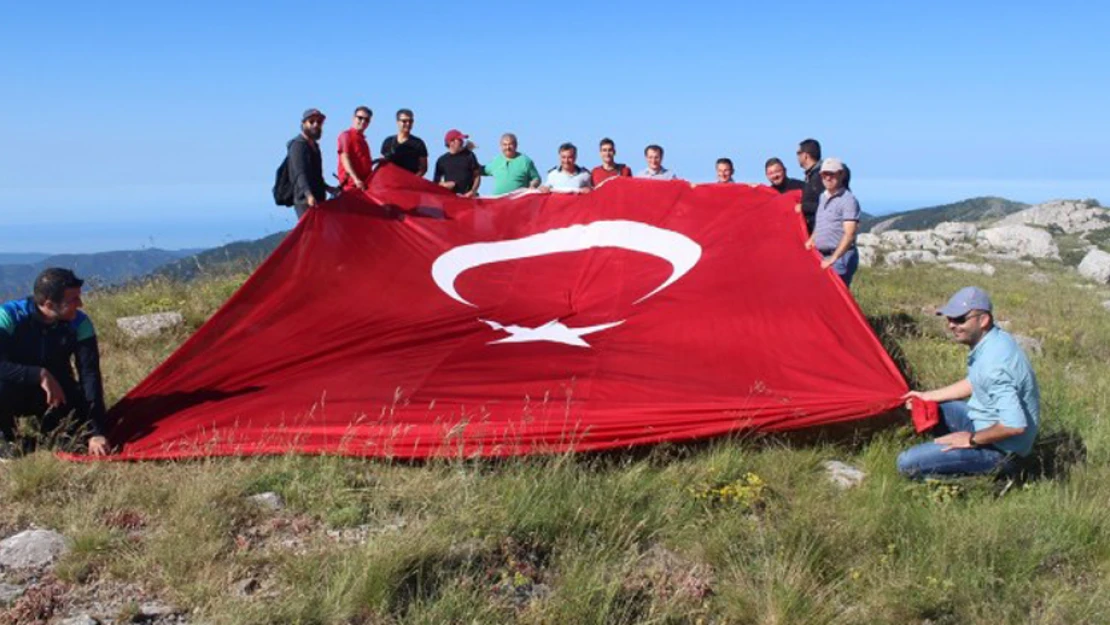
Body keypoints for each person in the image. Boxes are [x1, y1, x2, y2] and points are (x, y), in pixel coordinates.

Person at [899, 287, 1040, 479]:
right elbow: (975, 382)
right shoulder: (993, 340)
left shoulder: (994, 364)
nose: (951, 325)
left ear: (983, 320)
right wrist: (926, 396)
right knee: (934, 407)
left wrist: (971, 439)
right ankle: (950, 456)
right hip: (984, 424)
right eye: (949, 319)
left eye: (959, 319)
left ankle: (992, 479)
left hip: (1002, 450)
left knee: (906, 463)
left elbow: (1014, 425)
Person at [0, 268, 109, 458]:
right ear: (49, 304)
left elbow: (89, 375)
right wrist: (39, 374)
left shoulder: (80, 324)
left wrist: (96, 431)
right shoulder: (9, 316)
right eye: (73, 300)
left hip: (56, 392)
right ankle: (5, 437)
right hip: (11, 387)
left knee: (73, 442)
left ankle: (47, 427)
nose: (80, 304)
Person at [804, 158, 860, 286]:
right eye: (824, 174)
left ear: (841, 174)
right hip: (822, 256)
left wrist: (833, 258)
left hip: (840, 258)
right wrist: (812, 239)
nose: (827, 178)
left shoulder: (848, 200)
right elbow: (821, 223)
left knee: (837, 299)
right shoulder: (822, 197)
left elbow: (849, 234)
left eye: (831, 174)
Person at [288, 108, 339, 219]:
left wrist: (328, 188)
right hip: (305, 201)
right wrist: (308, 195)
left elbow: (316, 176)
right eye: (311, 121)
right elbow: (299, 173)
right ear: (303, 124)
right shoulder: (298, 145)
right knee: (310, 234)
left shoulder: (315, 146)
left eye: (319, 122)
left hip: (318, 198)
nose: (316, 124)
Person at [380, 108, 429, 177]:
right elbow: (381, 164)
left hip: (409, 184)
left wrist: (413, 179)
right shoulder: (388, 142)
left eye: (410, 121)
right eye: (404, 121)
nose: (408, 124)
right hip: (391, 181)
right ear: (397, 122)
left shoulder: (418, 143)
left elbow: (423, 168)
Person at [434, 129, 482, 197]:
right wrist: (444, 185)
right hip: (450, 199)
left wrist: (472, 191)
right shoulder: (441, 160)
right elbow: (435, 183)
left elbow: (477, 176)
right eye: (459, 139)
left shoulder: (469, 155)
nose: (462, 141)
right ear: (451, 142)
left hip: (469, 199)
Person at [337, 106, 374, 192]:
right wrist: (356, 179)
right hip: (350, 187)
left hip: (364, 187)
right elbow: (344, 158)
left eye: (366, 120)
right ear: (353, 118)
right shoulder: (346, 136)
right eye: (360, 118)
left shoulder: (363, 141)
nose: (363, 121)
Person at [796, 138, 823, 233]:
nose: (797, 157)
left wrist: (803, 207)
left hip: (819, 233)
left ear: (805, 155)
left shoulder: (819, 176)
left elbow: (827, 206)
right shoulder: (812, 175)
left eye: (798, 153)